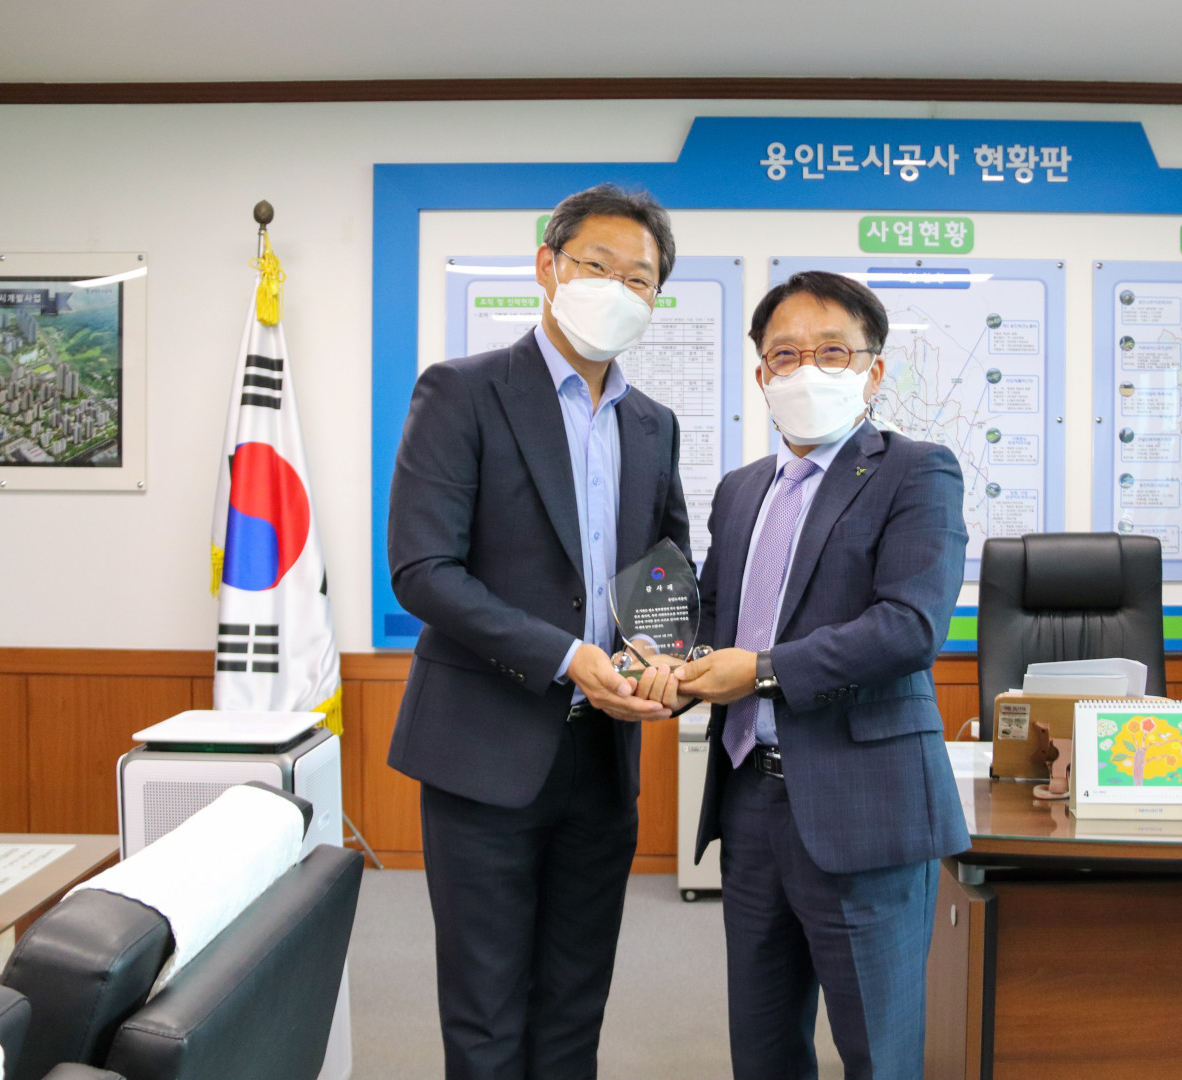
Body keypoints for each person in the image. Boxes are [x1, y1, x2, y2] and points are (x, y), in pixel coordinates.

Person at [386, 183, 689, 1079]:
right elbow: (423, 570)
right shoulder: (463, 391)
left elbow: (666, 567)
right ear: (548, 267)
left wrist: (660, 652)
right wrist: (566, 657)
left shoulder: (653, 424)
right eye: (599, 266)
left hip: (603, 757)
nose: (618, 290)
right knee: (486, 1014)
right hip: (485, 750)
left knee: (573, 1007)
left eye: (640, 279)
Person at [640, 271, 969, 1079]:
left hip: (865, 806)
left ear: (873, 371)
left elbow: (909, 627)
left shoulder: (917, 471)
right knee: (763, 1047)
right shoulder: (741, 490)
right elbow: (716, 620)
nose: (806, 370)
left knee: (878, 1054)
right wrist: (666, 668)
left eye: (832, 352)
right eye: (785, 355)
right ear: (763, 375)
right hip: (750, 800)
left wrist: (760, 672)